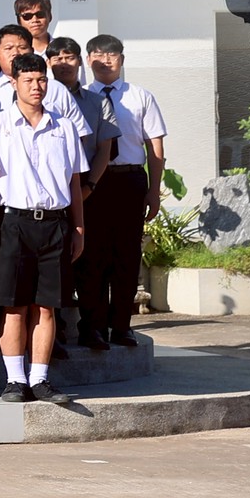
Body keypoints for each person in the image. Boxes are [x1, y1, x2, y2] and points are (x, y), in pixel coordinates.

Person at [0, 53, 87, 404]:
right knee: (14, 305)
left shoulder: (64, 127)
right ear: (13, 83)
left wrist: (79, 228)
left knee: (47, 306)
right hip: (13, 222)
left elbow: (74, 182)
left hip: (55, 223)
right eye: (28, 80)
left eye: (41, 80)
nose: (36, 87)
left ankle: (40, 378)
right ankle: (15, 379)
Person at [82, 34, 166, 350]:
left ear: (122, 60)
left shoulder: (141, 96)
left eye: (112, 54)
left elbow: (155, 147)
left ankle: (121, 325)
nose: (105, 60)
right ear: (88, 59)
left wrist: (154, 190)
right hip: (95, 183)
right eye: (98, 54)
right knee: (93, 256)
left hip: (129, 181)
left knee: (127, 256)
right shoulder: (82, 97)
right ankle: (93, 325)